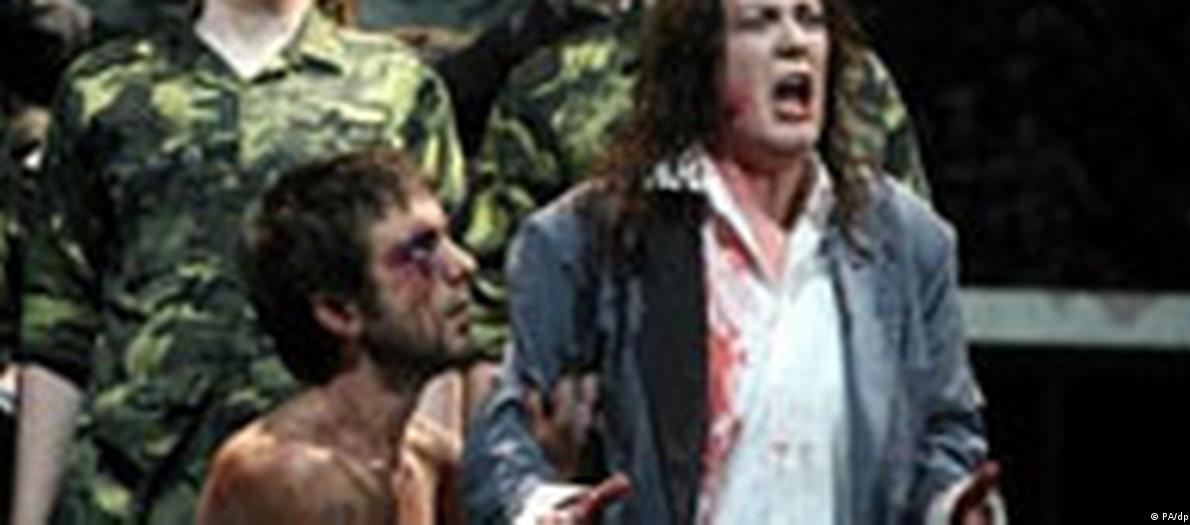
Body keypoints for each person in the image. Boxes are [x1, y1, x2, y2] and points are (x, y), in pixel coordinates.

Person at [464, 0, 1000, 522]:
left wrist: (949, 506)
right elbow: (499, 431)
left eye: (809, 19)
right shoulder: (595, 235)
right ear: (702, 57)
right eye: (760, 21)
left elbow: (946, 431)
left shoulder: (904, 241)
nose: (794, 42)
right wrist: (543, 508)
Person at [9, 0, 465, 521]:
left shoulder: (393, 86)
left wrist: (424, 500)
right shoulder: (106, 90)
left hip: (324, 488)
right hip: (132, 488)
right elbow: (59, 323)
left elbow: (429, 322)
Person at [462, 0, 930, 358]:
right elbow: (493, 324)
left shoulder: (853, 84)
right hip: (626, 424)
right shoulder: (557, 91)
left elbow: (912, 289)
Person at [195, 149, 474, 524]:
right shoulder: (291, 475)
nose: (463, 266)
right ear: (339, 312)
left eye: (446, 239)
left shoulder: (428, 459)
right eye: (420, 251)